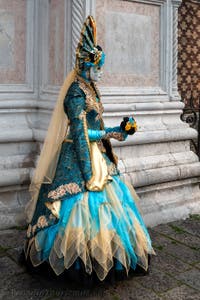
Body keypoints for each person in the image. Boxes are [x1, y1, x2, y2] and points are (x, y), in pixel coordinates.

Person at [23, 15, 156, 286]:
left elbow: (97, 124)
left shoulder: (91, 88)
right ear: (87, 65)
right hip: (78, 156)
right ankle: (76, 262)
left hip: (97, 154)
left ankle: (105, 256)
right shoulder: (76, 92)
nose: (101, 72)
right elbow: (80, 133)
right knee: (80, 206)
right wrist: (87, 170)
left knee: (110, 208)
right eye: (99, 67)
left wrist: (115, 133)